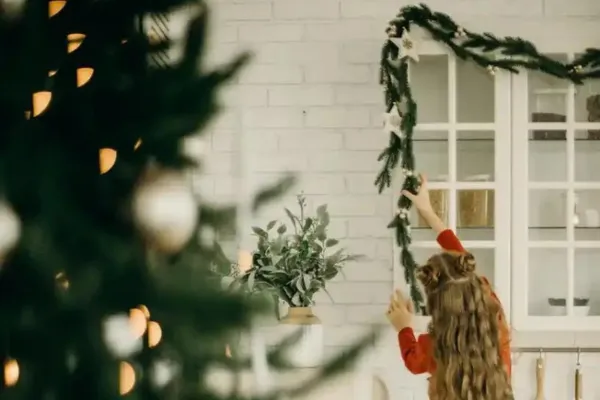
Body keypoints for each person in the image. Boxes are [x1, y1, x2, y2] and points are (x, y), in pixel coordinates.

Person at [386, 174, 513, 400]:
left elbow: (413, 362)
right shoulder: (497, 325)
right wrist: (429, 213)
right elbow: (461, 262)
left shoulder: (435, 347)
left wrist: (404, 328)